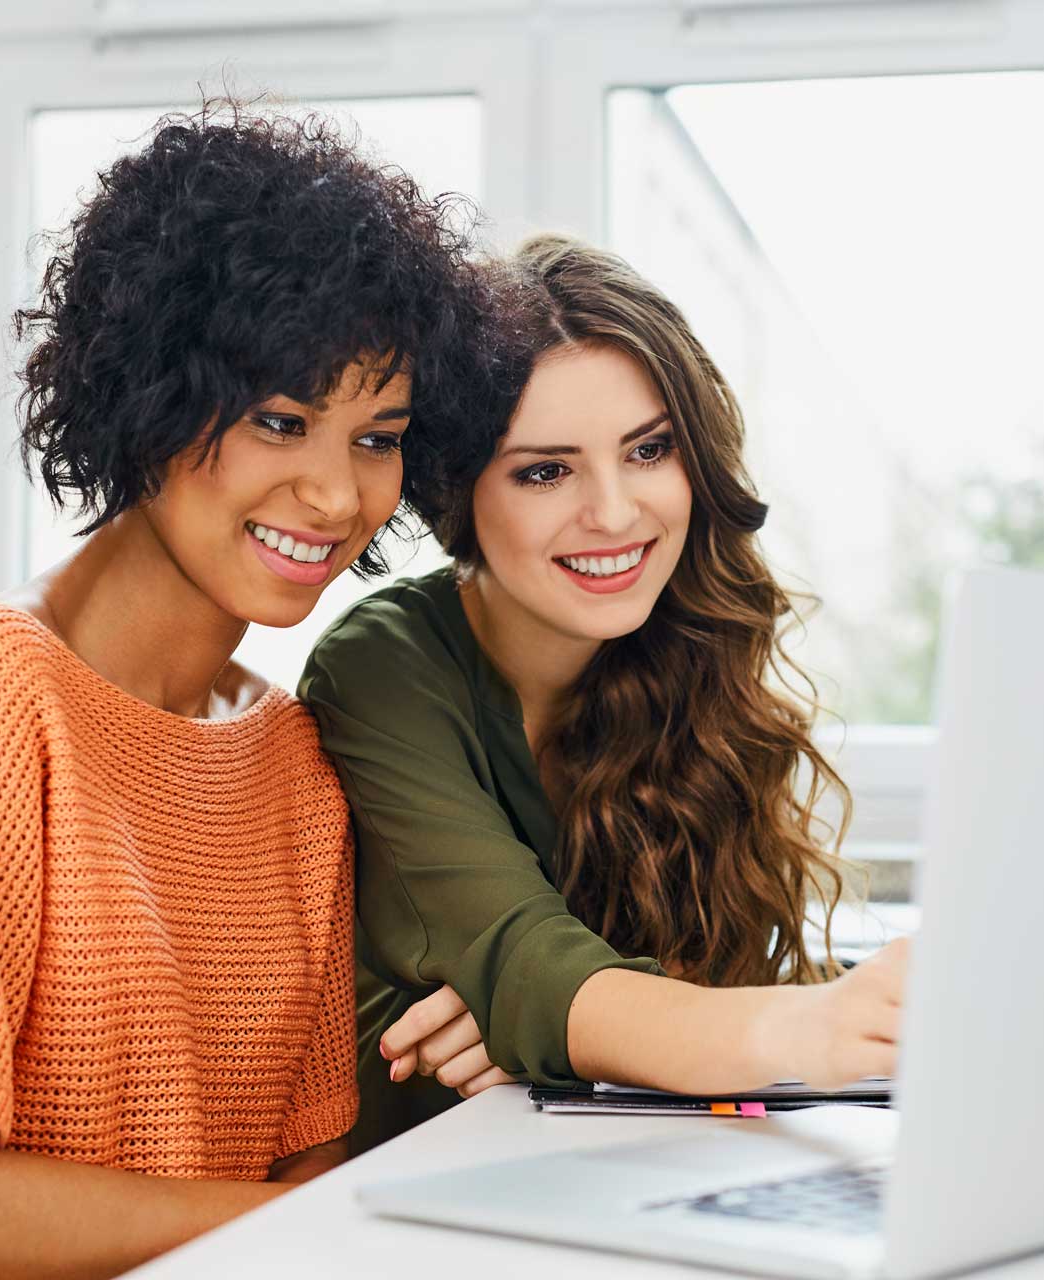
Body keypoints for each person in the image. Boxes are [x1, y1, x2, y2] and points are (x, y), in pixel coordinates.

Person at [0, 104, 491, 1279]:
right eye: (279, 420)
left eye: (377, 436)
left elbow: (295, 1182)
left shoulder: (290, 763)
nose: (338, 496)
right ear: (149, 398)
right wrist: (321, 1228)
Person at [299, 234, 909, 1154]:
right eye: (546, 470)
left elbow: (655, 993)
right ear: (456, 491)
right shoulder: (383, 665)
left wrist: (554, 1036)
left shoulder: (685, 646)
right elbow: (532, 965)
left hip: (623, 1177)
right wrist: (558, 1015)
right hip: (411, 1210)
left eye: (649, 450)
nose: (617, 513)